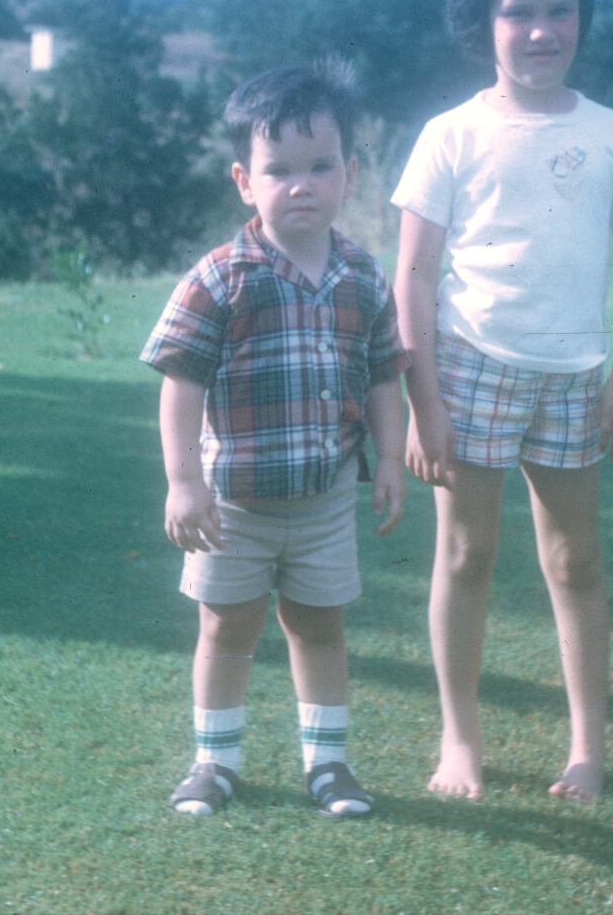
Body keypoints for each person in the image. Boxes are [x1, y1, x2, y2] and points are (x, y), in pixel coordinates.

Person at [391, 0, 613, 804]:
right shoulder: (450, 135)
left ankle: (587, 750)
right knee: (467, 554)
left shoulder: (611, 133)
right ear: (485, 19)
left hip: (577, 376)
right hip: (469, 367)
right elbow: (415, 279)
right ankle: (460, 742)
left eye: (561, 8)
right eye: (519, 11)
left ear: (581, 14)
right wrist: (424, 401)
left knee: (575, 560)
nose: (542, 30)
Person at [141, 61, 408, 818]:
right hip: (233, 505)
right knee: (227, 628)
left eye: (320, 166)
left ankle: (329, 766)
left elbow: (384, 373)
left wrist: (390, 456)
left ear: (349, 174)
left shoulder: (363, 276)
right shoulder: (221, 278)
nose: (301, 184)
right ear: (243, 180)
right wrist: (183, 480)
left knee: (319, 627)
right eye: (279, 169)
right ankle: (213, 763)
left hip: (324, 500)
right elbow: (181, 380)